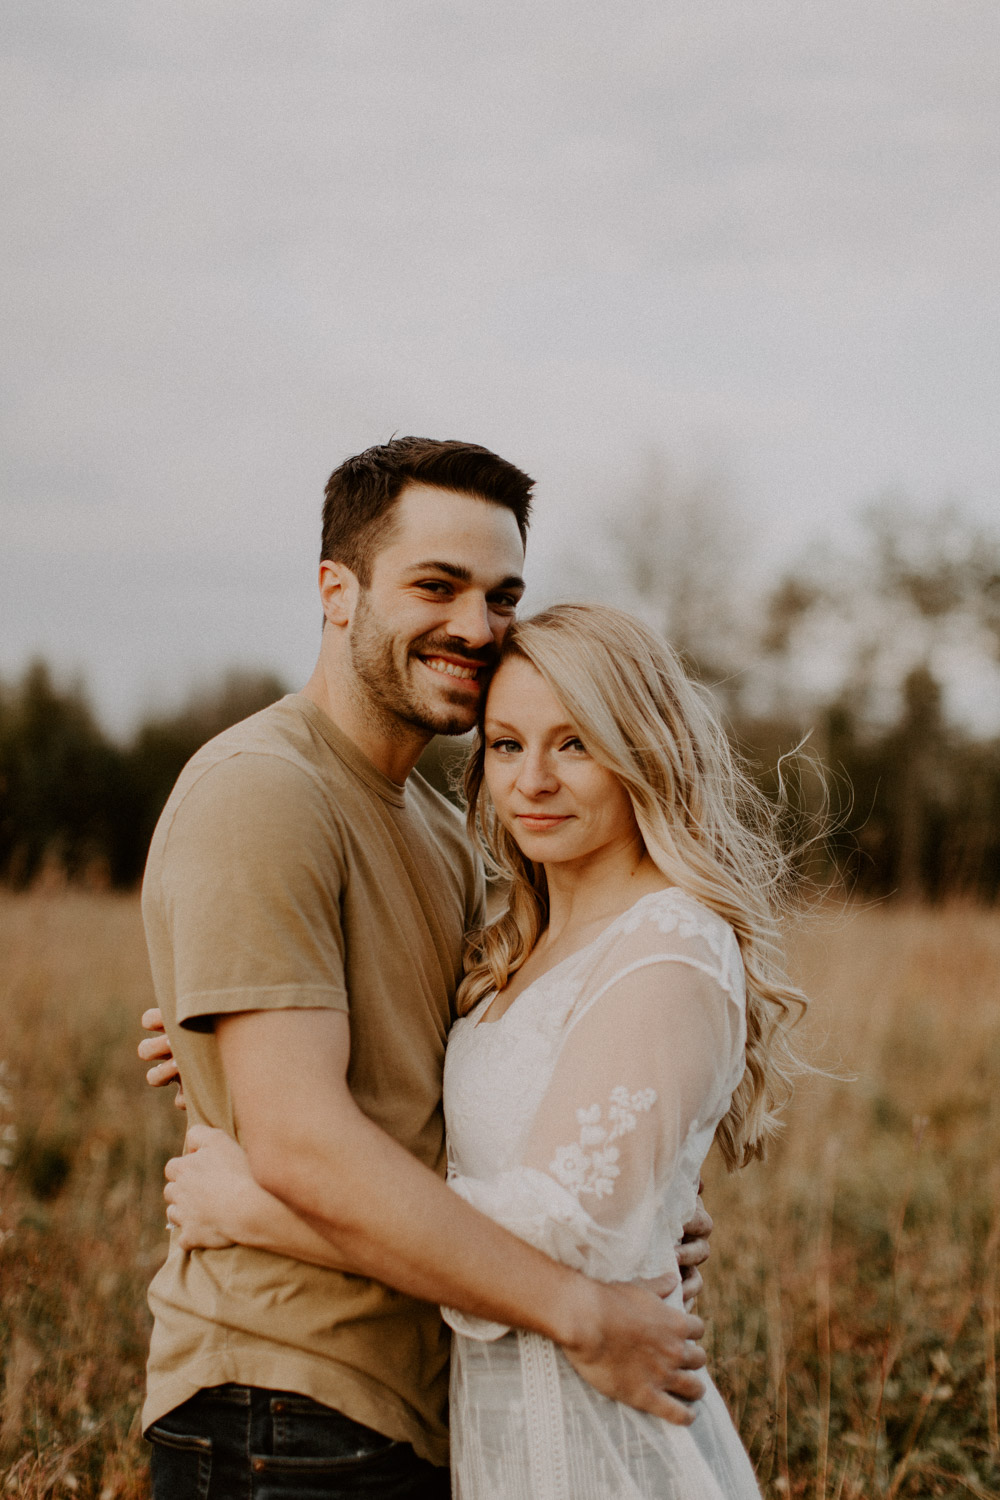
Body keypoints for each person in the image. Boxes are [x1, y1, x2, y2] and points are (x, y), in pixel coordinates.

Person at [137, 438, 712, 1500]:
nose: (476, 628)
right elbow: (300, 1142)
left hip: (429, 1394)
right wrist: (583, 1307)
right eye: (436, 587)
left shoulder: (446, 834)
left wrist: (627, 1213)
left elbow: (438, 1084)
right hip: (285, 1399)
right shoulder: (263, 791)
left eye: (502, 596)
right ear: (337, 591)